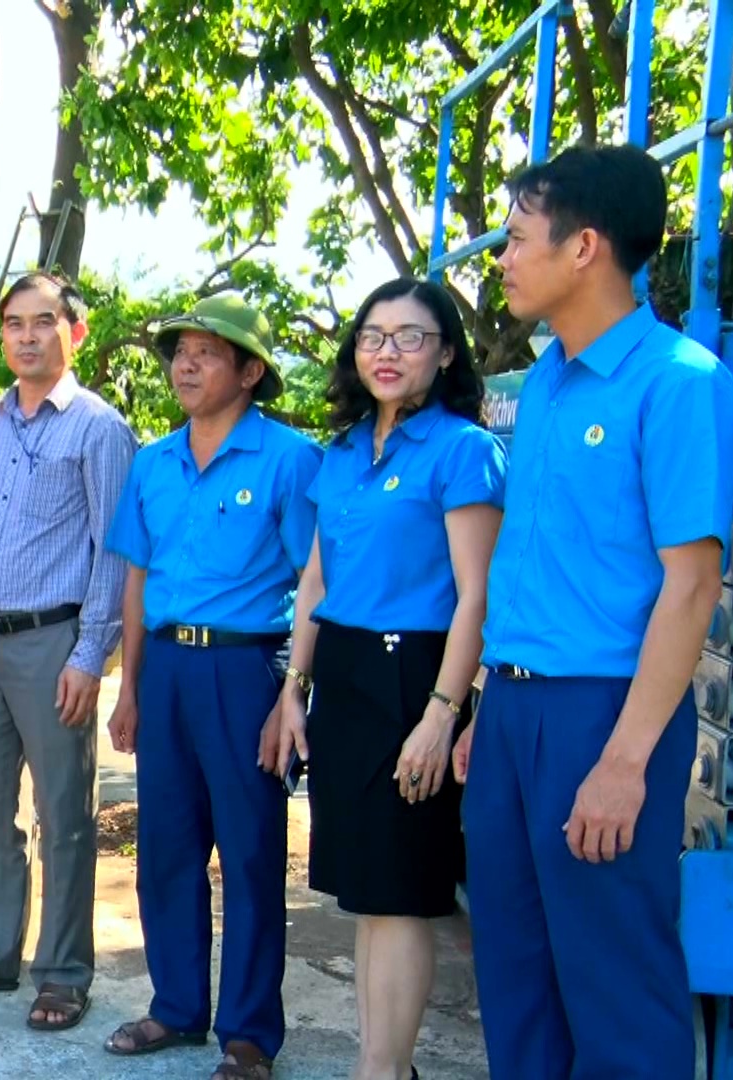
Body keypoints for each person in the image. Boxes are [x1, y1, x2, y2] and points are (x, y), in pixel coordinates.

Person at [464, 144, 733, 1079]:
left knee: (616, 984)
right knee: (515, 972)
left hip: (605, 713)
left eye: (516, 237)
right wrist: (488, 704)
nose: (501, 257)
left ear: (584, 247)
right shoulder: (544, 382)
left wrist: (624, 762)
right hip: (514, 709)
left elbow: (692, 585)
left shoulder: (679, 380)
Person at [269, 278, 504, 1080]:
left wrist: (442, 714)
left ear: (444, 353)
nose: (389, 352)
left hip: (418, 677)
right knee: (366, 892)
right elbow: (314, 582)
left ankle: (383, 1071)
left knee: (403, 891)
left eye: (411, 336)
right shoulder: (338, 455)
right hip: (346, 675)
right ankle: (382, 1066)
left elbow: (478, 593)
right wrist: (293, 688)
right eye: (374, 335)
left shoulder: (462, 450)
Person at [98, 291, 319, 1078]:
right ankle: (177, 1008)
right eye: (179, 350)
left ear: (251, 371)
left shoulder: (290, 460)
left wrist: (293, 689)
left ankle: (249, 1033)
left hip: (245, 669)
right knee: (166, 846)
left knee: (253, 852)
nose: (185, 363)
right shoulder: (153, 462)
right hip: (168, 669)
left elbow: (315, 582)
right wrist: (128, 687)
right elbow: (138, 577)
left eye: (207, 351)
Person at [0, 272, 137, 1033]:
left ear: (74, 332)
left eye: (44, 322)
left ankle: (65, 974)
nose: (27, 337)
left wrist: (89, 655)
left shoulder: (99, 429)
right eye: (14, 324)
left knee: (64, 816)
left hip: (54, 643)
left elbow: (114, 551)